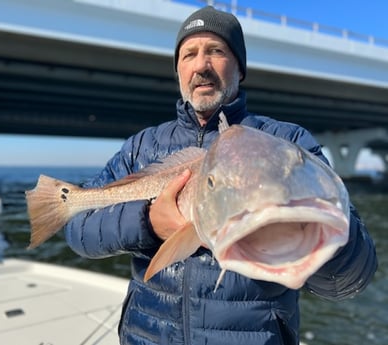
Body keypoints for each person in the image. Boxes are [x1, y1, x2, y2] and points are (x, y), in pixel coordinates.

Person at [64, 6, 377, 345]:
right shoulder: (140, 148)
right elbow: (78, 229)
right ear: (179, 71)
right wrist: (148, 222)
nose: (201, 65)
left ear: (239, 67)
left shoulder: (289, 142)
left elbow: (346, 281)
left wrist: (318, 231)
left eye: (216, 50)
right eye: (189, 54)